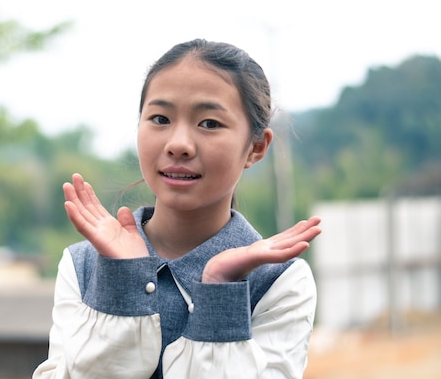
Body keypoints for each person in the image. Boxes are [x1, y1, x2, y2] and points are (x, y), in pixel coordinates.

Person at [33, 39, 321, 379]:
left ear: (255, 148)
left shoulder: (280, 282)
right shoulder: (83, 265)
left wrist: (220, 291)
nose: (178, 145)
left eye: (210, 123)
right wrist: (122, 284)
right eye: (159, 118)